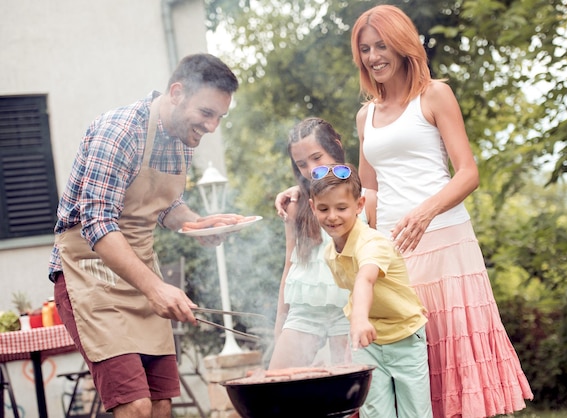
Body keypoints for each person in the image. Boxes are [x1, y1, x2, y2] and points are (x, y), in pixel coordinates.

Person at [351, 5, 533, 418]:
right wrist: (356, 233)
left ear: (401, 46)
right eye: (365, 49)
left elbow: (468, 173)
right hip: (394, 249)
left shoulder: (434, 95)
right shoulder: (366, 115)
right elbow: (370, 188)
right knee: (413, 354)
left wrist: (425, 212)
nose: (374, 56)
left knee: (453, 347)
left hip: (446, 239)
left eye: (381, 45)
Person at [48, 53, 239, 418]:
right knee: (134, 405)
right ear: (177, 93)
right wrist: (155, 287)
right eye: (207, 113)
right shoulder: (118, 131)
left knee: (160, 404)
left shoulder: (181, 139)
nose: (212, 126)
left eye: (219, 117)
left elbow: (165, 205)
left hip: (139, 277)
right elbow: (98, 224)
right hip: (90, 277)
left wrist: (198, 225)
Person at [308, 163, 432, 418]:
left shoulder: (372, 242)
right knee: (375, 414)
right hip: (369, 344)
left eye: (341, 208)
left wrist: (360, 319)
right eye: (323, 208)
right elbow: (352, 290)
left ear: (359, 205)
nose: (332, 216)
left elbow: (365, 279)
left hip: (404, 337)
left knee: (415, 414)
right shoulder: (330, 252)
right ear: (313, 207)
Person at [270, 117, 366, 369]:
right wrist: (280, 323)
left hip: (348, 308)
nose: (310, 170)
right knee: (278, 381)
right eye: (301, 164)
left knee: (344, 389)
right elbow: (289, 264)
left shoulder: (363, 201)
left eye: (317, 157)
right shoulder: (296, 205)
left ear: (335, 148)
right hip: (305, 310)